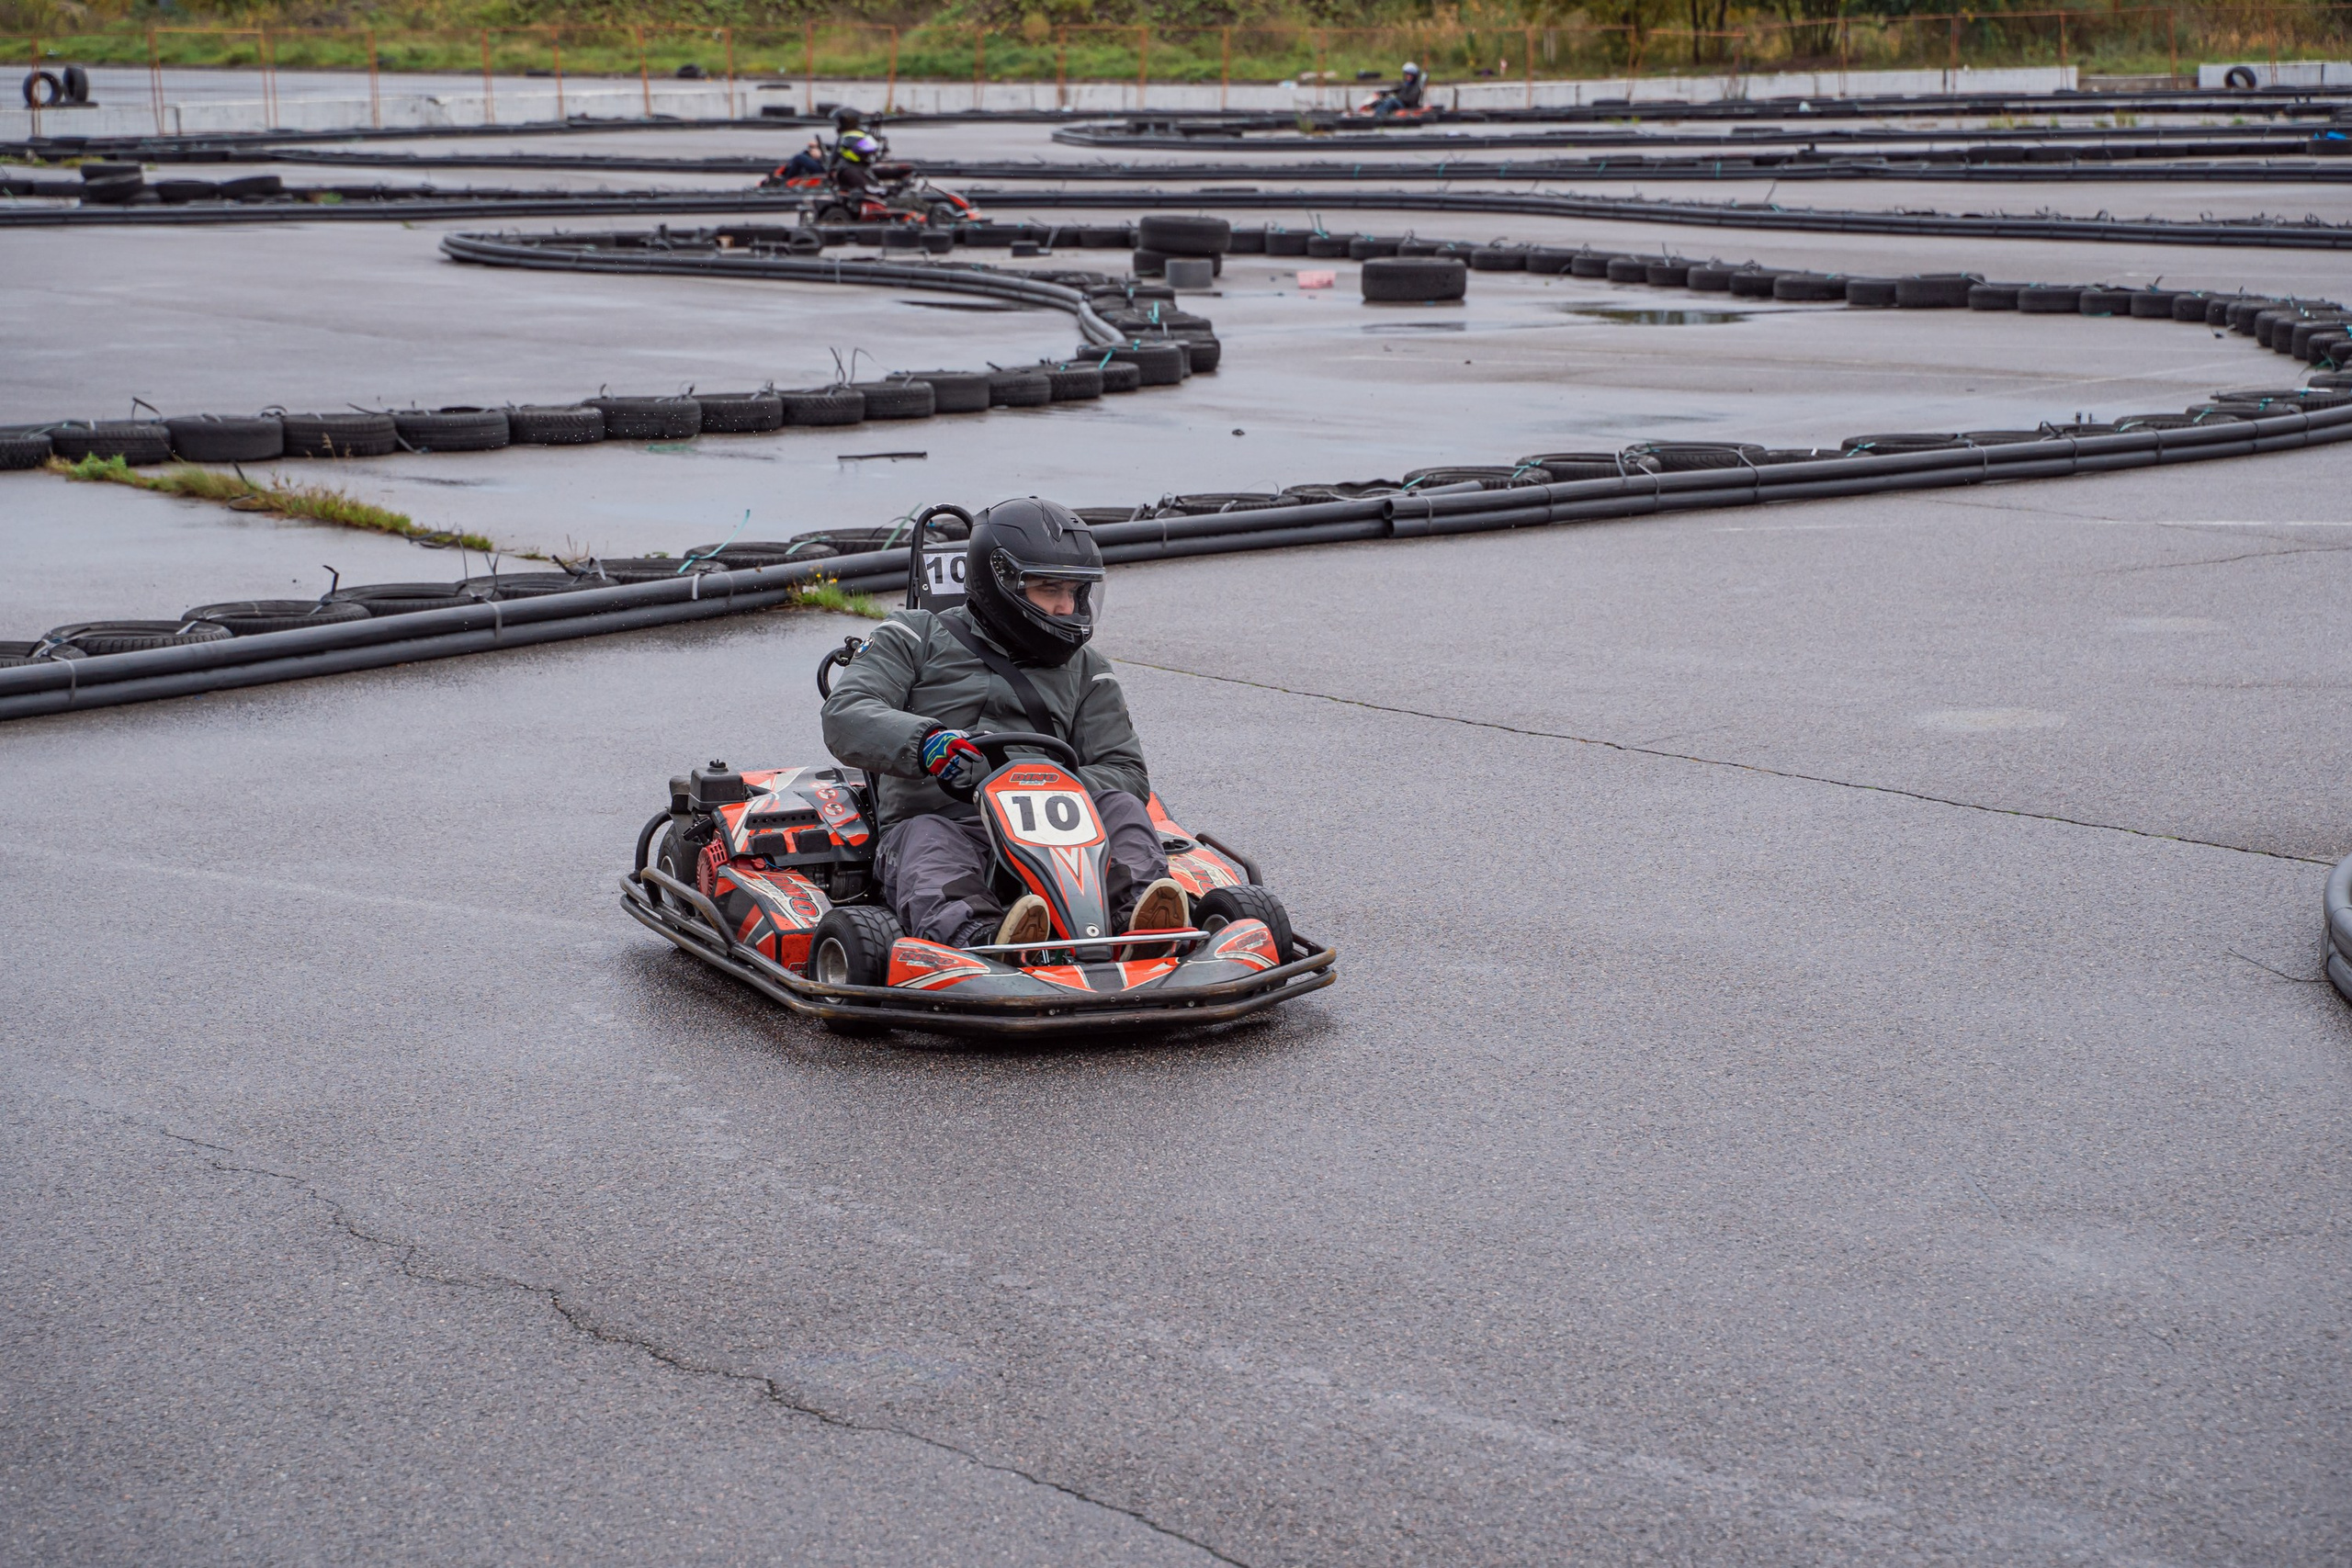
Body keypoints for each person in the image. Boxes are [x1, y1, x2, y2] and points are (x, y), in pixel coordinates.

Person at [820, 498, 1188, 952]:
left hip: (1062, 836)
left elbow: (1126, 771)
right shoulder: (914, 636)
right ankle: (985, 941)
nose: (1064, 607)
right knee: (926, 839)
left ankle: (1142, 922)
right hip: (946, 821)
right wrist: (928, 744)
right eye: (1050, 589)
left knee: (1122, 808)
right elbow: (847, 712)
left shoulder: (1088, 667)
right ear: (1003, 584)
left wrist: (1038, 784)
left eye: (1075, 592)